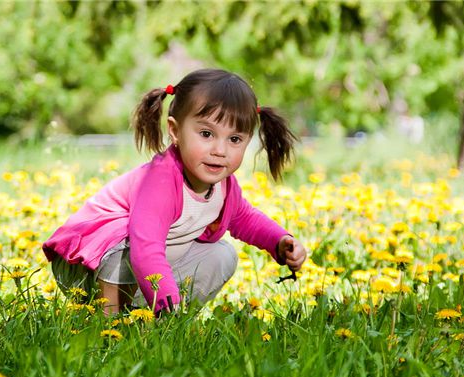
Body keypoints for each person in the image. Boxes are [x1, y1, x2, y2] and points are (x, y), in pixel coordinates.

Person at [43, 69, 307, 315]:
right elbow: (145, 249)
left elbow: (245, 218)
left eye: (234, 139)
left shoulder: (224, 186)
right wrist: (165, 305)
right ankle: (109, 322)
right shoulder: (161, 181)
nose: (220, 150)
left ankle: (156, 320)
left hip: (138, 269)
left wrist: (279, 241)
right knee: (123, 244)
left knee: (222, 255)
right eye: (206, 133)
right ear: (175, 131)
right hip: (82, 267)